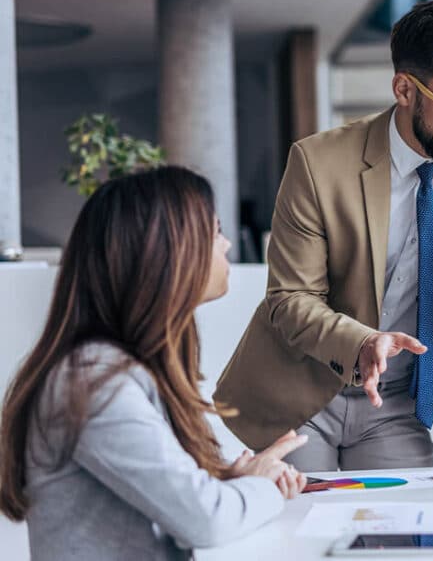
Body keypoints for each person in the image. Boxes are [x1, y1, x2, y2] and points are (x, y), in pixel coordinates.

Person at [213, 0, 433, 472]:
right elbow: (290, 298)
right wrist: (362, 342)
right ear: (404, 89)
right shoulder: (317, 163)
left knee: (410, 537)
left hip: (394, 405)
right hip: (303, 395)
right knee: (306, 530)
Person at [0, 166, 308, 561]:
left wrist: (230, 481)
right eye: (215, 231)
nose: (228, 245)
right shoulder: (94, 383)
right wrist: (260, 486)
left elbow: (172, 498)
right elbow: (206, 519)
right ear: (169, 251)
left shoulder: (115, 371)